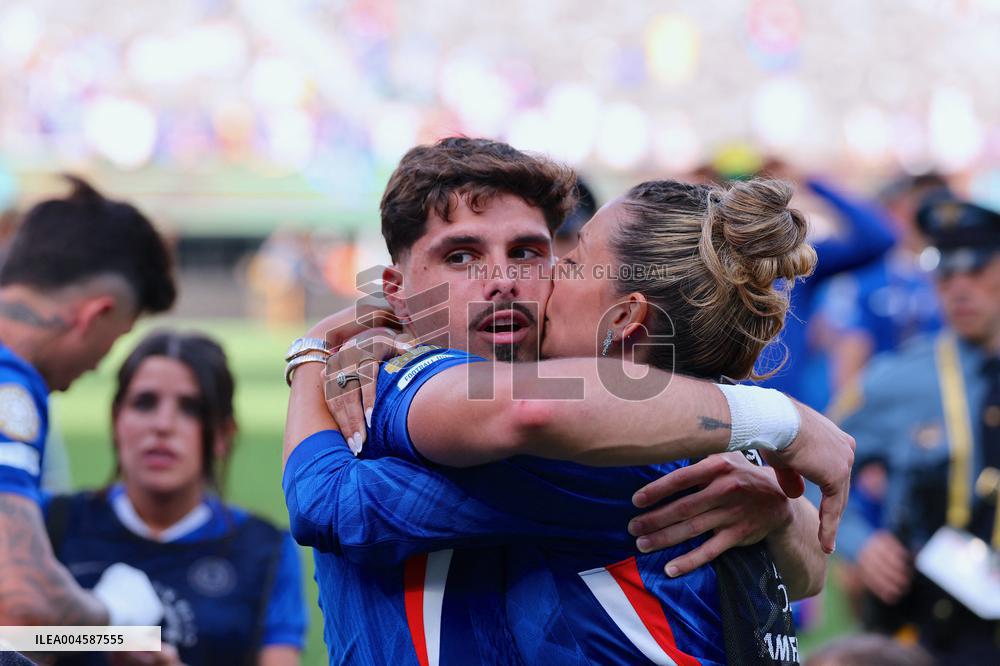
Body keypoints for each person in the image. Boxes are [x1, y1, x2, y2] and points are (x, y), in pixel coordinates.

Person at [283, 138, 854, 664]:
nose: (503, 279)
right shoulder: (399, 377)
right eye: (460, 257)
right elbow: (808, 571)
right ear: (396, 291)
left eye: (536, 254)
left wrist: (310, 356)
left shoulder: (605, 431)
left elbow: (327, 499)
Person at [45, 331, 307, 666]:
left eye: (191, 408)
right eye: (144, 403)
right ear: (116, 421)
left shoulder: (266, 550)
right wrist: (104, 630)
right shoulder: (52, 523)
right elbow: (12, 642)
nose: (163, 424)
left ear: (224, 435)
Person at [0, 176, 174, 631]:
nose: (98, 365)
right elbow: (21, 610)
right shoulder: (9, 387)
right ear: (96, 314)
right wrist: (115, 622)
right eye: (113, 339)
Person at [835, 196, 1000, 661]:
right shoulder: (899, 376)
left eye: (978, 269)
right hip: (933, 630)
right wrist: (860, 543)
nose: (959, 289)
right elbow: (803, 468)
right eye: (946, 274)